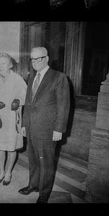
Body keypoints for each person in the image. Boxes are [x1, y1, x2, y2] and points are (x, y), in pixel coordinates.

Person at [18, 47, 70, 203]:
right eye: (32, 59)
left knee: (46, 162)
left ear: (47, 58)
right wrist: (24, 124)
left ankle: (44, 193)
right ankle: (33, 185)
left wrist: (59, 129)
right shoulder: (32, 77)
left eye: (38, 59)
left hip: (48, 129)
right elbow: (28, 104)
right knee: (33, 159)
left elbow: (63, 105)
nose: (35, 62)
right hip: (32, 127)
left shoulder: (58, 77)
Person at [0, 52, 27, 186]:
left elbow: (26, 96)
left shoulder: (18, 79)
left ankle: (8, 172)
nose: (1, 66)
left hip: (13, 119)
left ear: (10, 65)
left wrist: (18, 101)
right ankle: (1, 171)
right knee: (0, 147)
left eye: (4, 63)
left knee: (11, 148)